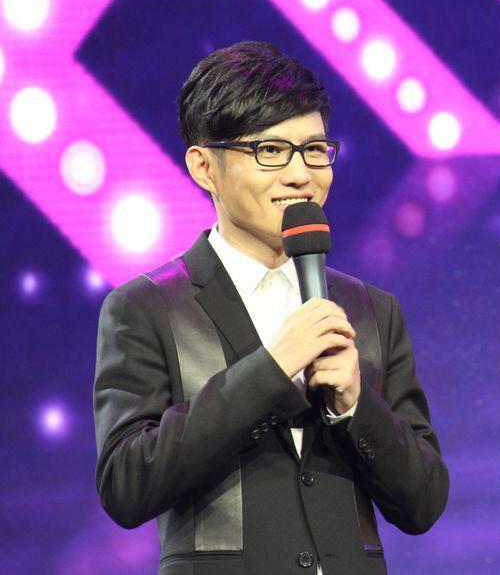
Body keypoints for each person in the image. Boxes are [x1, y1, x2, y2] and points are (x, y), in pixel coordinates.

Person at [93, 41, 448, 575]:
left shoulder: (370, 309)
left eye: (314, 150)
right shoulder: (147, 307)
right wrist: (270, 370)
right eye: (270, 151)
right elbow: (126, 484)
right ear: (204, 167)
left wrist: (355, 405)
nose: (301, 174)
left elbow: (424, 502)